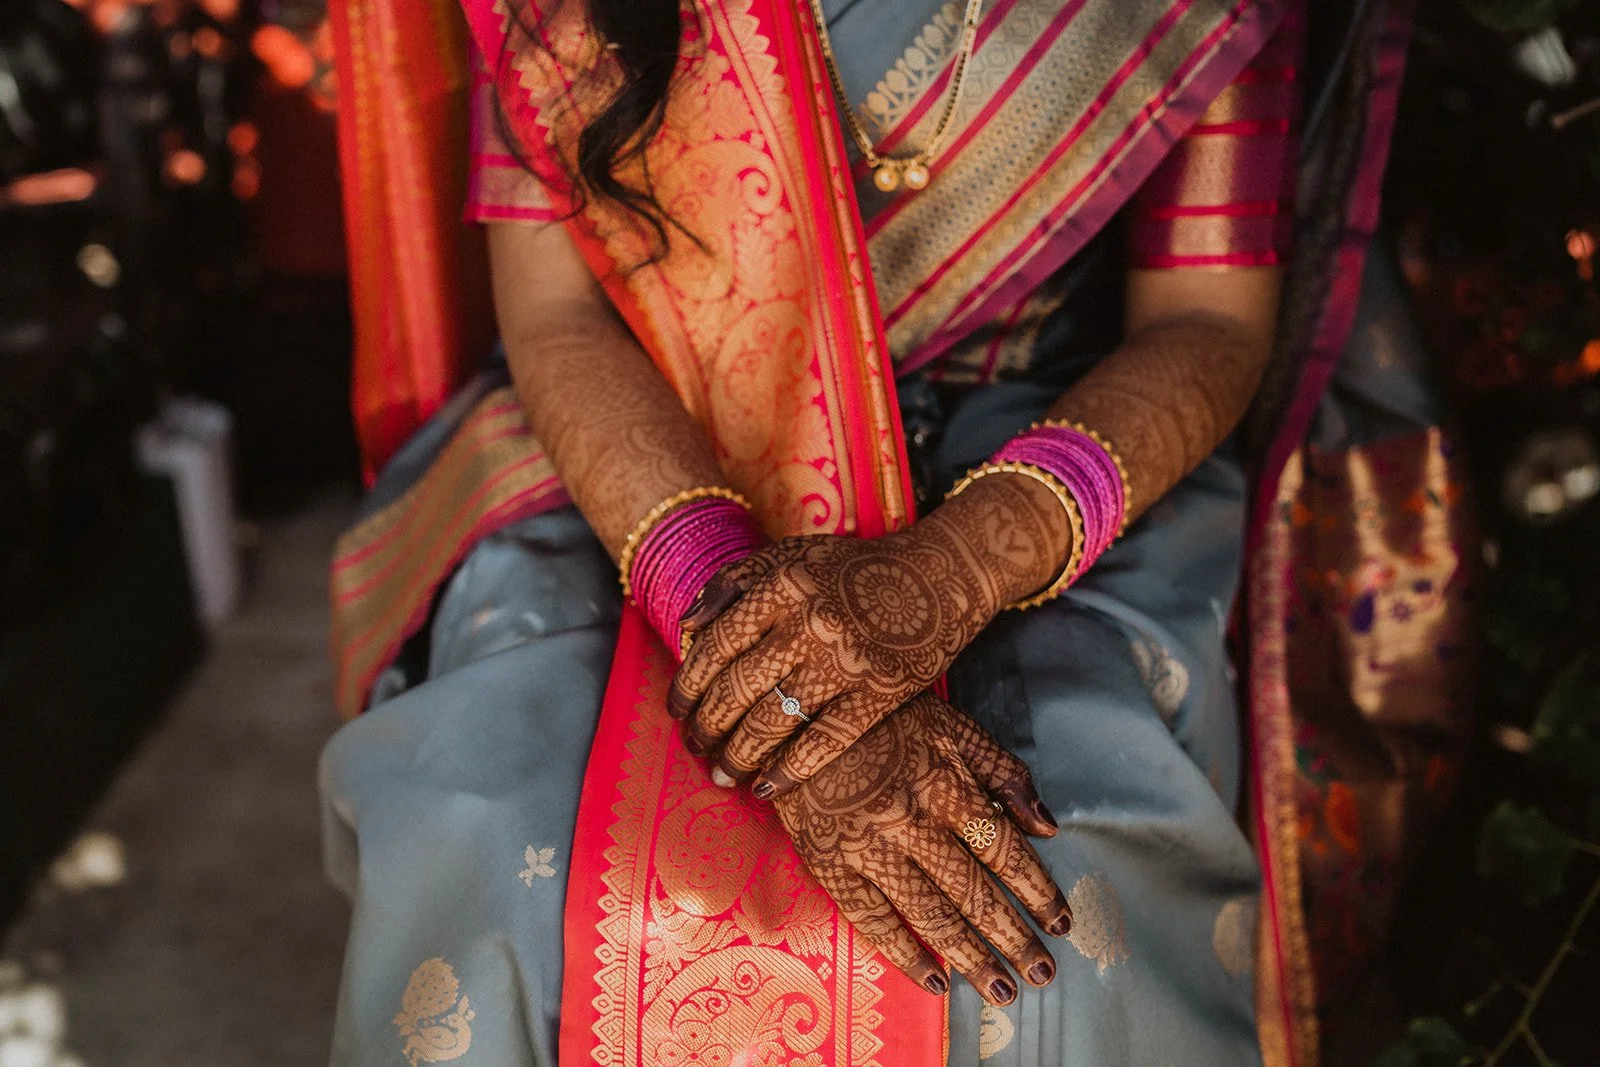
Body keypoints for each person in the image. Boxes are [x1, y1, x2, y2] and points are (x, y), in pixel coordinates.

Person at [319, 0, 1475, 1064]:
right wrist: (772, 670)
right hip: (654, 425)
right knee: (492, 834)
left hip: (1032, 445)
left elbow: (1209, 324)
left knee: (1071, 887)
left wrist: (950, 573)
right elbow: (557, 317)